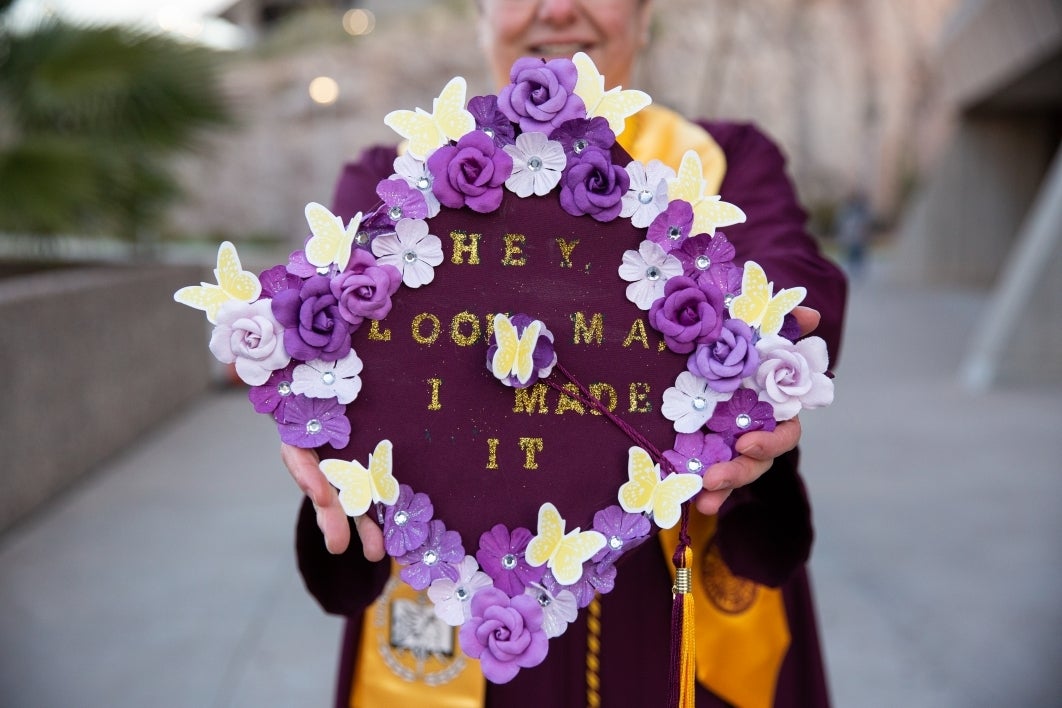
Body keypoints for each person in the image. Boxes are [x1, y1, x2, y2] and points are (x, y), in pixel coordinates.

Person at [283, 1, 847, 706]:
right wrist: (304, 387)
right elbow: (323, 320)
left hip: (664, 583)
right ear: (482, 16)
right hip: (465, 579)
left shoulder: (722, 162)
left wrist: (766, 358)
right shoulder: (395, 180)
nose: (557, 8)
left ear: (645, 17)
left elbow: (799, 282)